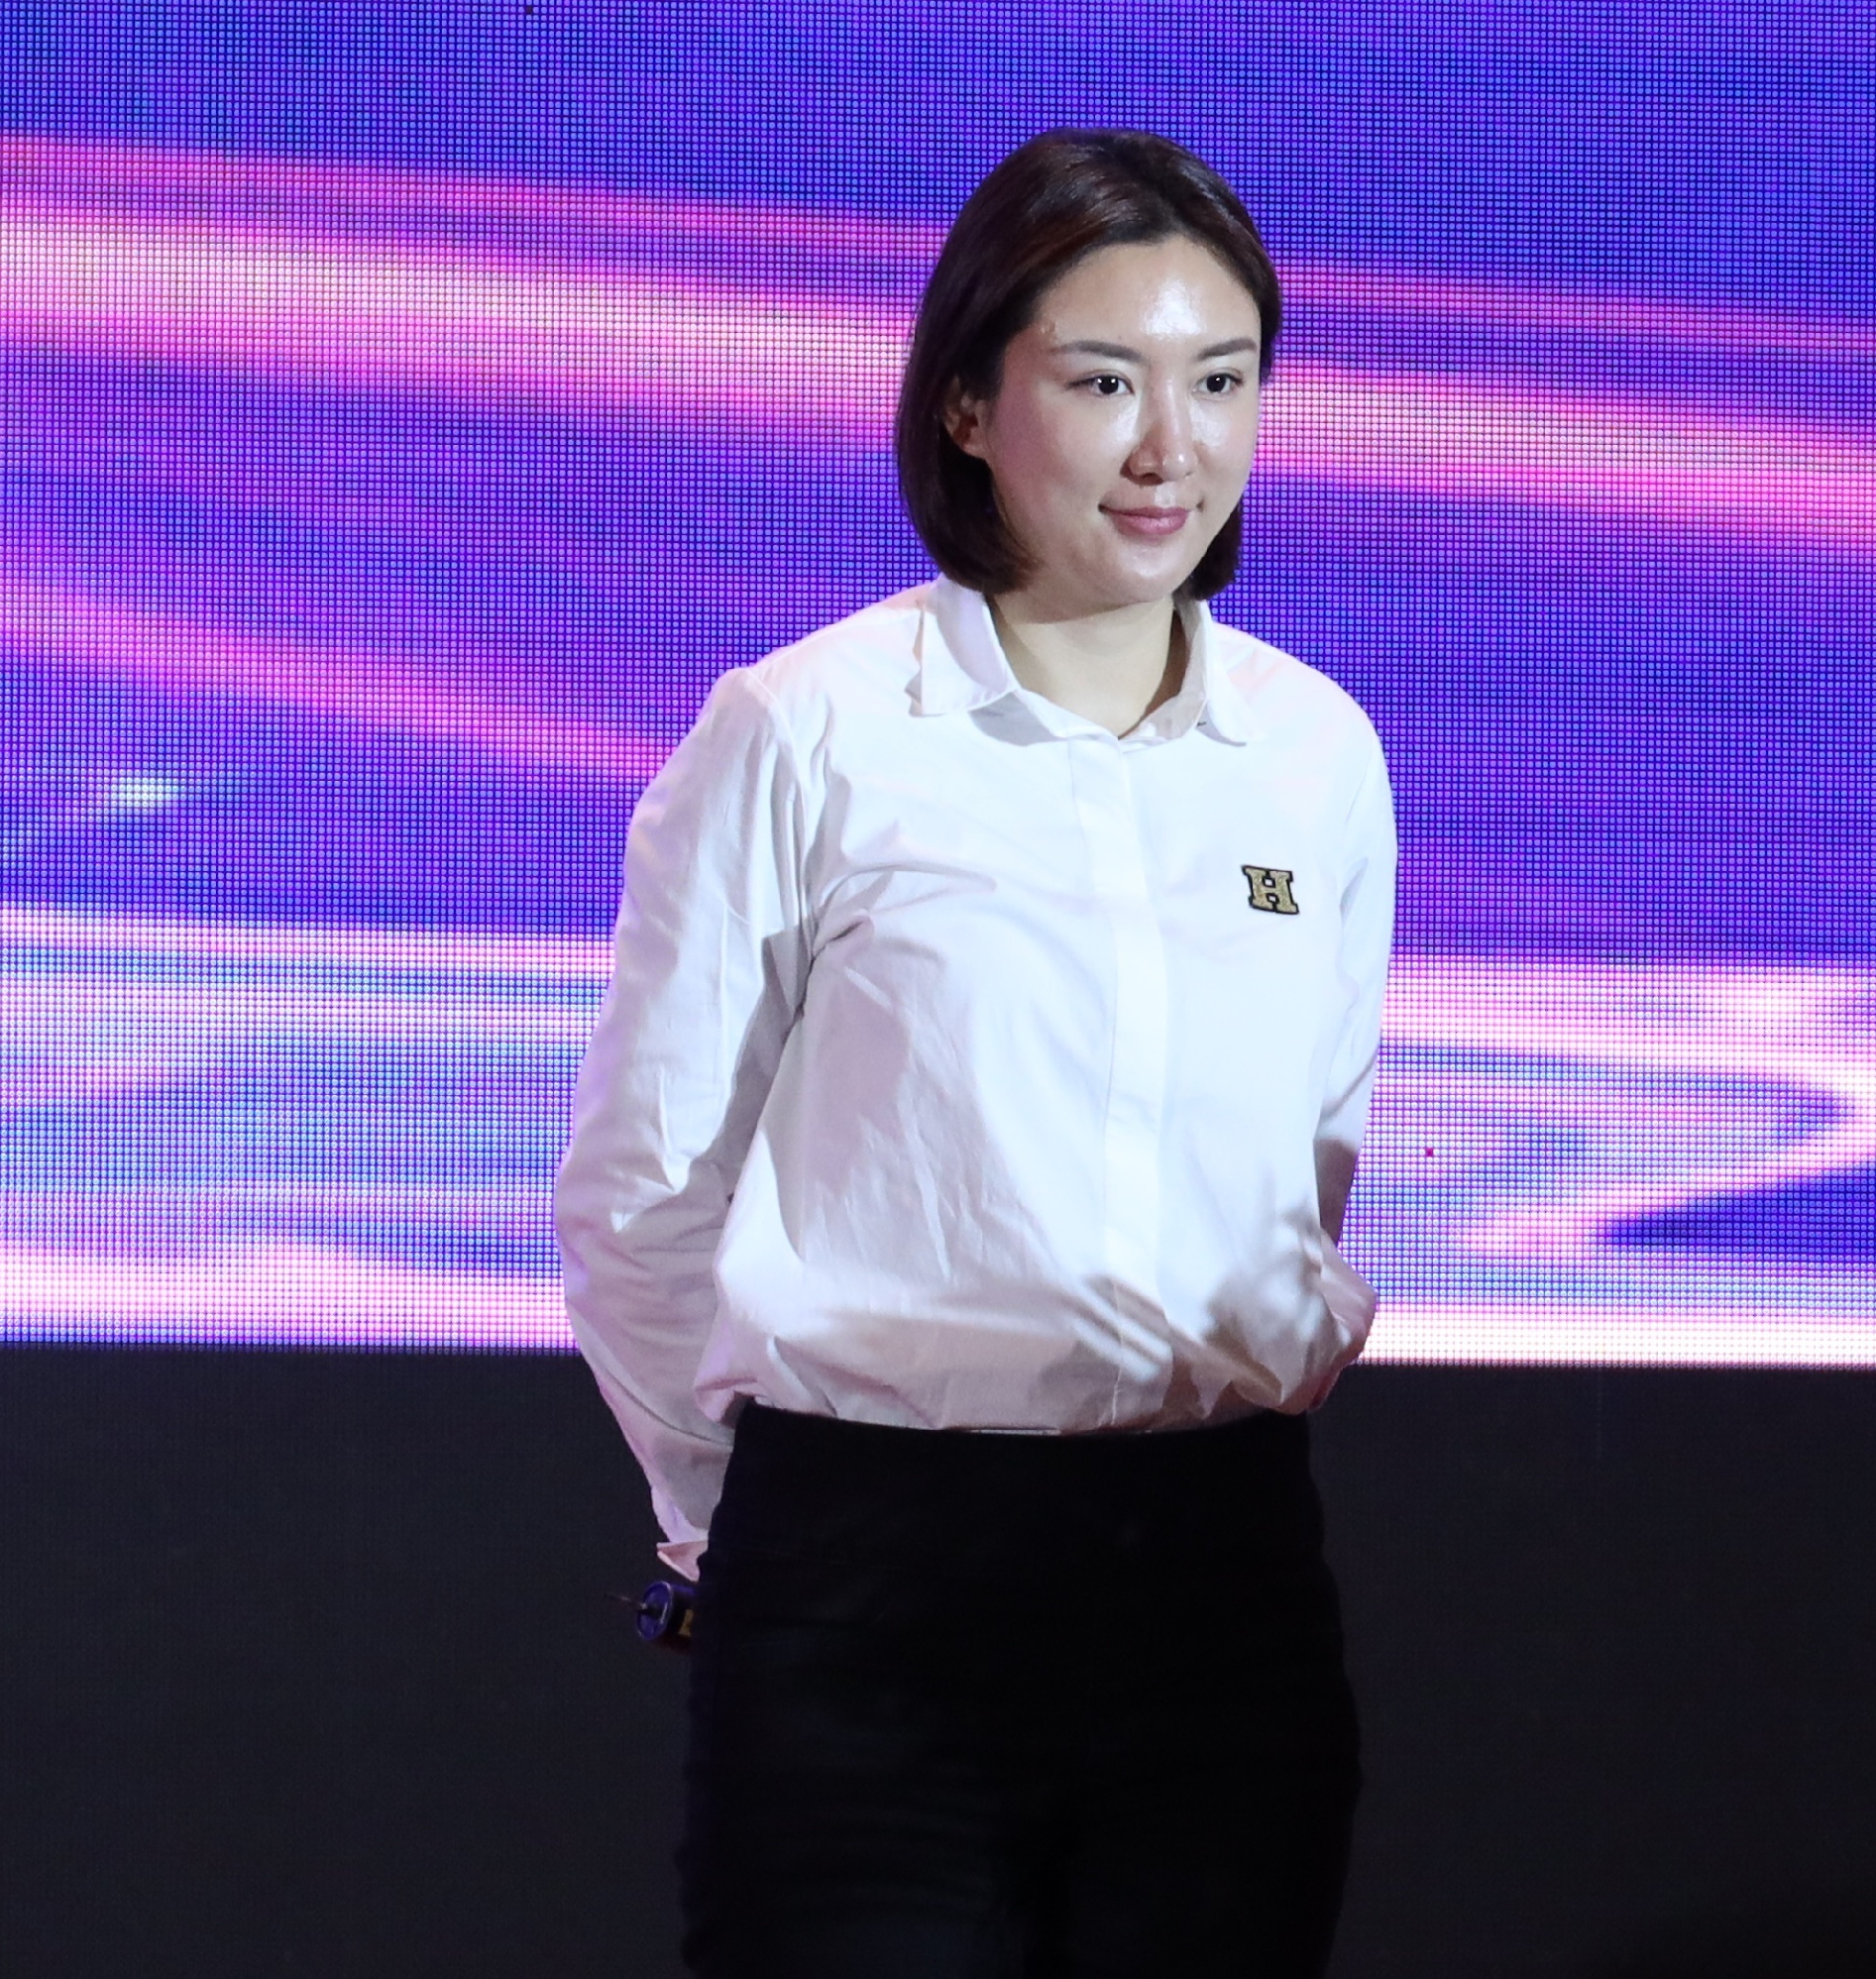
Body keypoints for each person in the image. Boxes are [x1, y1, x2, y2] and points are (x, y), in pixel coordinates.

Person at [559, 129, 1394, 1977]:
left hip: (1221, 1581)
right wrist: (746, 1524)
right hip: (869, 1581)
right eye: (1102, 382)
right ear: (965, 403)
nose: (1169, 446)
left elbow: (1310, 1163)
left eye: (1221, 381)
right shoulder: (810, 729)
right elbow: (642, 1195)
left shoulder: (1314, 753)